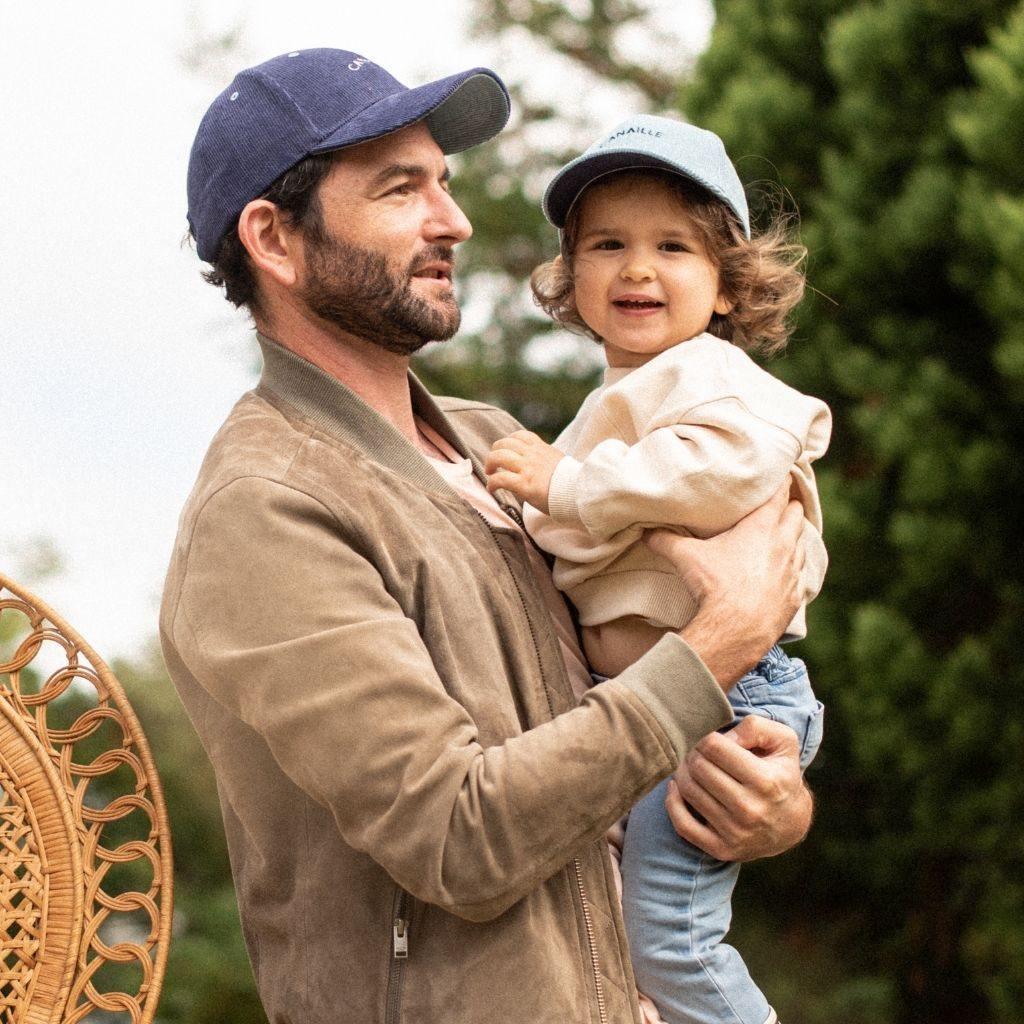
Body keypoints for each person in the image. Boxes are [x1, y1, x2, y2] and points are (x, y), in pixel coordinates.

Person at [161, 49, 814, 1024]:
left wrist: (768, 801)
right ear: (275, 239)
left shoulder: (495, 445)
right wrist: (721, 641)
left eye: (447, 184)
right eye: (400, 188)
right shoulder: (266, 511)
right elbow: (458, 840)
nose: (454, 221)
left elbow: (607, 741)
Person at [484, 115, 831, 1024]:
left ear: (726, 287)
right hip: (655, 706)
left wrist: (565, 485)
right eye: (608, 244)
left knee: (670, 943)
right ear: (572, 280)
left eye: (672, 246)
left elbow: (721, 473)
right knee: (623, 949)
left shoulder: (712, 377)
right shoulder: (617, 404)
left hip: (731, 699)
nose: (638, 268)